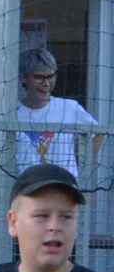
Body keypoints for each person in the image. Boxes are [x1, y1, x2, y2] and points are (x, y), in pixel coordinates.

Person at [16, 46, 100, 175]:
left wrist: (82, 167)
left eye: (50, 76)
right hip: (27, 185)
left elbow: (98, 134)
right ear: (23, 78)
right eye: (39, 77)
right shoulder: (13, 113)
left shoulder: (69, 108)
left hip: (63, 184)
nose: (46, 83)